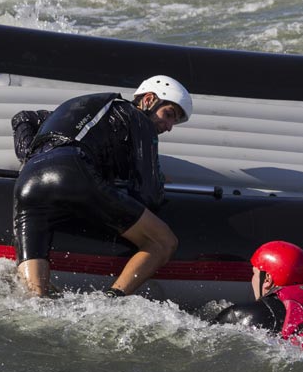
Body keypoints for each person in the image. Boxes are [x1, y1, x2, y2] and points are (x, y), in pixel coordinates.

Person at [11, 75, 193, 297]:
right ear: (148, 99)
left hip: (28, 182)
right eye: (169, 115)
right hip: (73, 171)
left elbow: (23, 117)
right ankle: (111, 301)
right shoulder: (138, 118)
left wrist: (28, 158)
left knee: (34, 299)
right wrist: (159, 180)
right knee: (164, 242)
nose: (169, 127)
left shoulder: (85, 108)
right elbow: (148, 195)